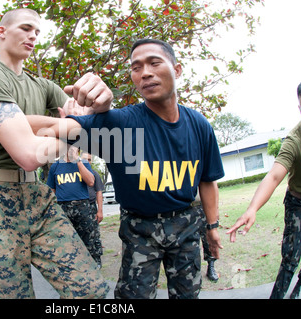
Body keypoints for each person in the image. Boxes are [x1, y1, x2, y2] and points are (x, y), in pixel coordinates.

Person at [0, 8, 111, 299]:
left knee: (92, 291)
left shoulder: (43, 86)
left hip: (35, 194)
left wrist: (98, 104)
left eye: (37, 32)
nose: (33, 36)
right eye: (26, 28)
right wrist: (69, 127)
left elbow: (88, 119)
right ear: (1, 32)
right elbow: (27, 153)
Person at [25, 38, 225, 299]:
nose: (146, 73)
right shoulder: (120, 124)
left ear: (176, 70)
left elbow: (207, 181)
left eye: (155, 63)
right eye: (136, 67)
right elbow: (45, 127)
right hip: (140, 230)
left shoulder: (199, 125)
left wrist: (212, 226)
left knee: (188, 295)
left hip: (186, 225)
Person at [227, 81, 301, 299]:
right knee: (290, 259)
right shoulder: (294, 140)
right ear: (299, 110)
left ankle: (297, 289)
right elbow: (274, 176)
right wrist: (252, 208)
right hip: (297, 204)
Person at [46, 146, 102, 266]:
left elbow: (91, 182)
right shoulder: (55, 166)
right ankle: (71, 268)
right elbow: (51, 190)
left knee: (88, 241)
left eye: (75, 147)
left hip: (83, 207)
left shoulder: (84, 163)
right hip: (63, 207)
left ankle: (91, 268)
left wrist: (77, 160)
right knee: (66, 241)